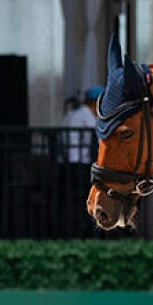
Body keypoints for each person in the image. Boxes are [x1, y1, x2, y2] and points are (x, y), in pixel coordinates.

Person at [58, 86, 103, 236]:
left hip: (66, 163)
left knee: (70, 200)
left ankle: (71, 231)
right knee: (81, 200)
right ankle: (83, 232)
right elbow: (96, 140)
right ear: (95, 102)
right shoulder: (86, 116)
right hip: (79, 164)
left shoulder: (71, 114)